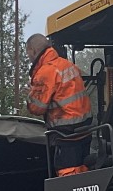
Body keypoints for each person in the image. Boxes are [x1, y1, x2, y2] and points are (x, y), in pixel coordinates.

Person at [26, 33, 94, 176]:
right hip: (85, 130)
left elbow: (37, 108)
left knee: (68, 178)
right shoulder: (68, 65)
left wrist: (31, 94)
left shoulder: (45, 72)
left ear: (33, 50)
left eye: (28, 54)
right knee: (84, 173)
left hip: (66, 134)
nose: (29, 58)